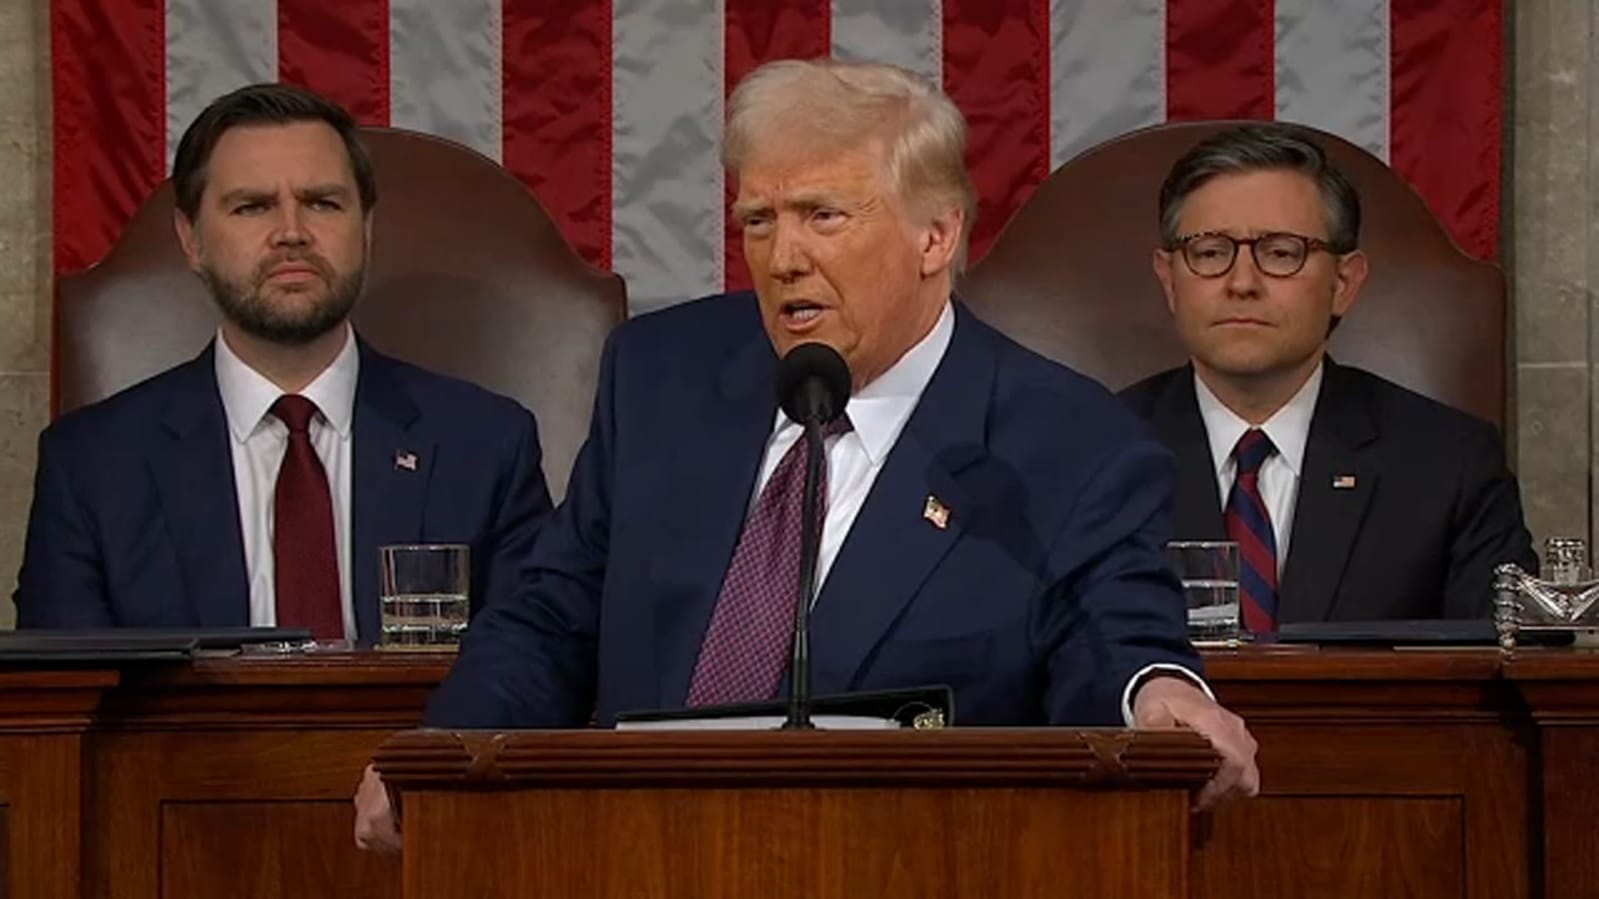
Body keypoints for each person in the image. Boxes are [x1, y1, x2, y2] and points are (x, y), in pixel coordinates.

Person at [355, 59, 1258, 851]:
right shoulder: (661, 377)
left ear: (935, 236)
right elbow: (553, 612)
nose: (783, 257)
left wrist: (1155, 693)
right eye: (758, 220)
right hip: (629, 853)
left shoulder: (1064, 441)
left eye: (824, 215)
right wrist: (443, 753)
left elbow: (1115, 632)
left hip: (920, 861)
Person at [14, 83, 552, 642]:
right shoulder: (93, 467)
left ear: (364, 229)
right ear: (190, 239)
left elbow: (534, 669)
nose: (292, 233)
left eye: (322, 202)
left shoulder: (485, 445)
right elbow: (64, 703)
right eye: (252, 206)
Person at [1121, 123, 1536, 631]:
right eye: (1209, 252)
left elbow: (1509, 673)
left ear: (1344, 283)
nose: (1242, 283)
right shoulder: (1090, 454)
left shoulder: (1450, 463)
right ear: (1169, 279)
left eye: (1281, 252)